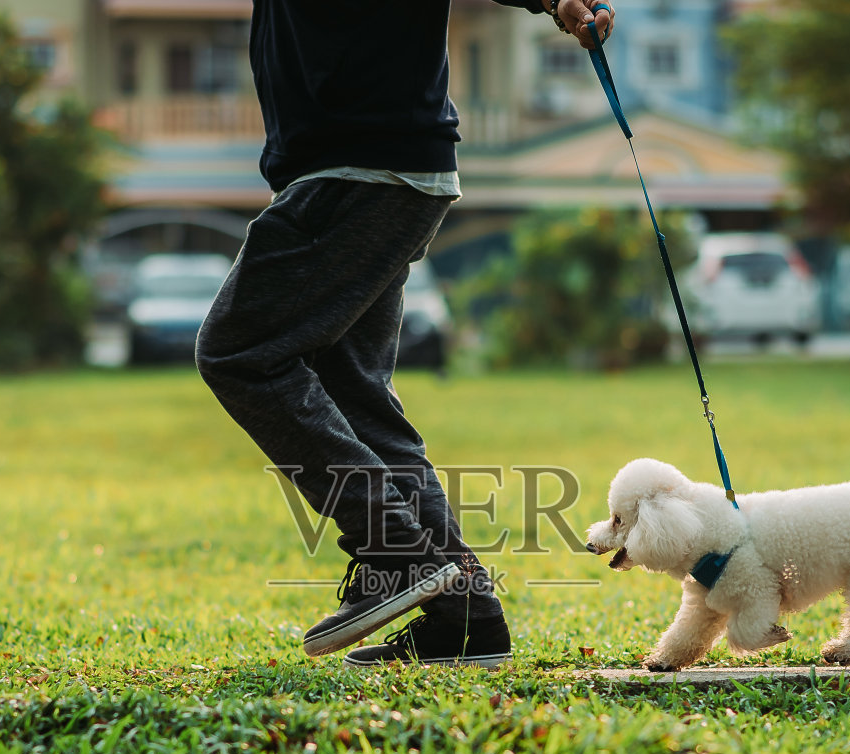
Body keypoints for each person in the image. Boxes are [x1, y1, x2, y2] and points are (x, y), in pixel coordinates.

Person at [197, 0, 616, 667]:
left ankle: (391, 550)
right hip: (380, 168)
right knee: (355, 397)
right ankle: (466, 620)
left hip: (357, 168)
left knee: (241, 353)